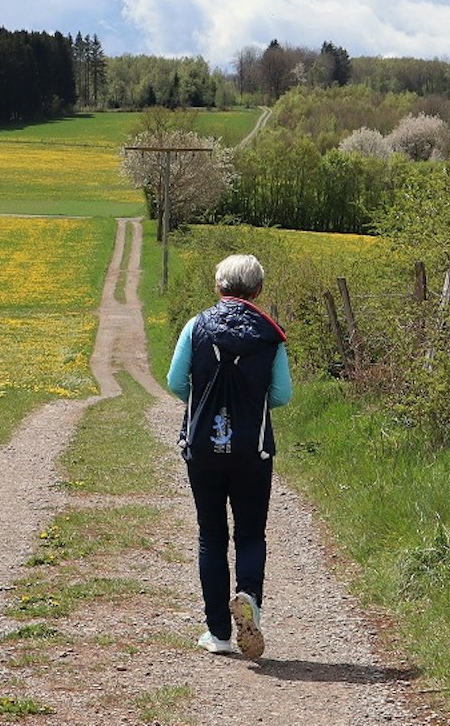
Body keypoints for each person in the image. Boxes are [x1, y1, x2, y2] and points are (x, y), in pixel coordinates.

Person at [165, 253, 291, 659]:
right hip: (252, 451)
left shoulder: (196, 326)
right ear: (257, 291)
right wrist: (250, 405)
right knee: (251, 533)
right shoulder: (271, 335)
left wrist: (201, 402)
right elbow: (283, 395)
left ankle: (218, 633)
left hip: (203, 448)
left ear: (218, 287)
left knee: (211, 536)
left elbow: (174, 381)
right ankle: (249, 596)